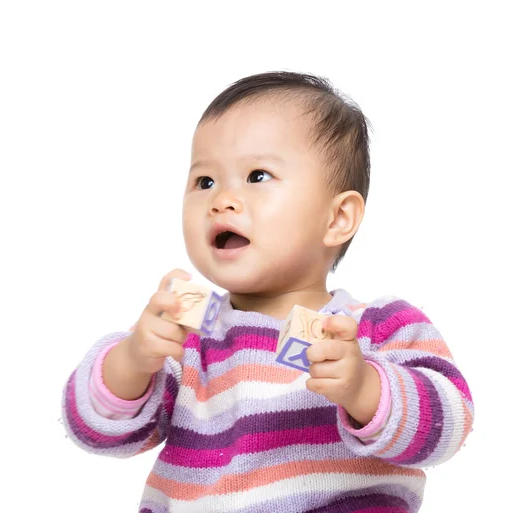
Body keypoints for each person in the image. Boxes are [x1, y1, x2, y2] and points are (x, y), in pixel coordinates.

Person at [61, 71, 474, 512]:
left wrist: (364, 387)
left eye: (257, 176)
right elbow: (97, 432)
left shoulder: (375, 326)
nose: (222, 200)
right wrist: (132, 360)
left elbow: (450, 424)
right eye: (205, 182)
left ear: (337, 219)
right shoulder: (189, 327)